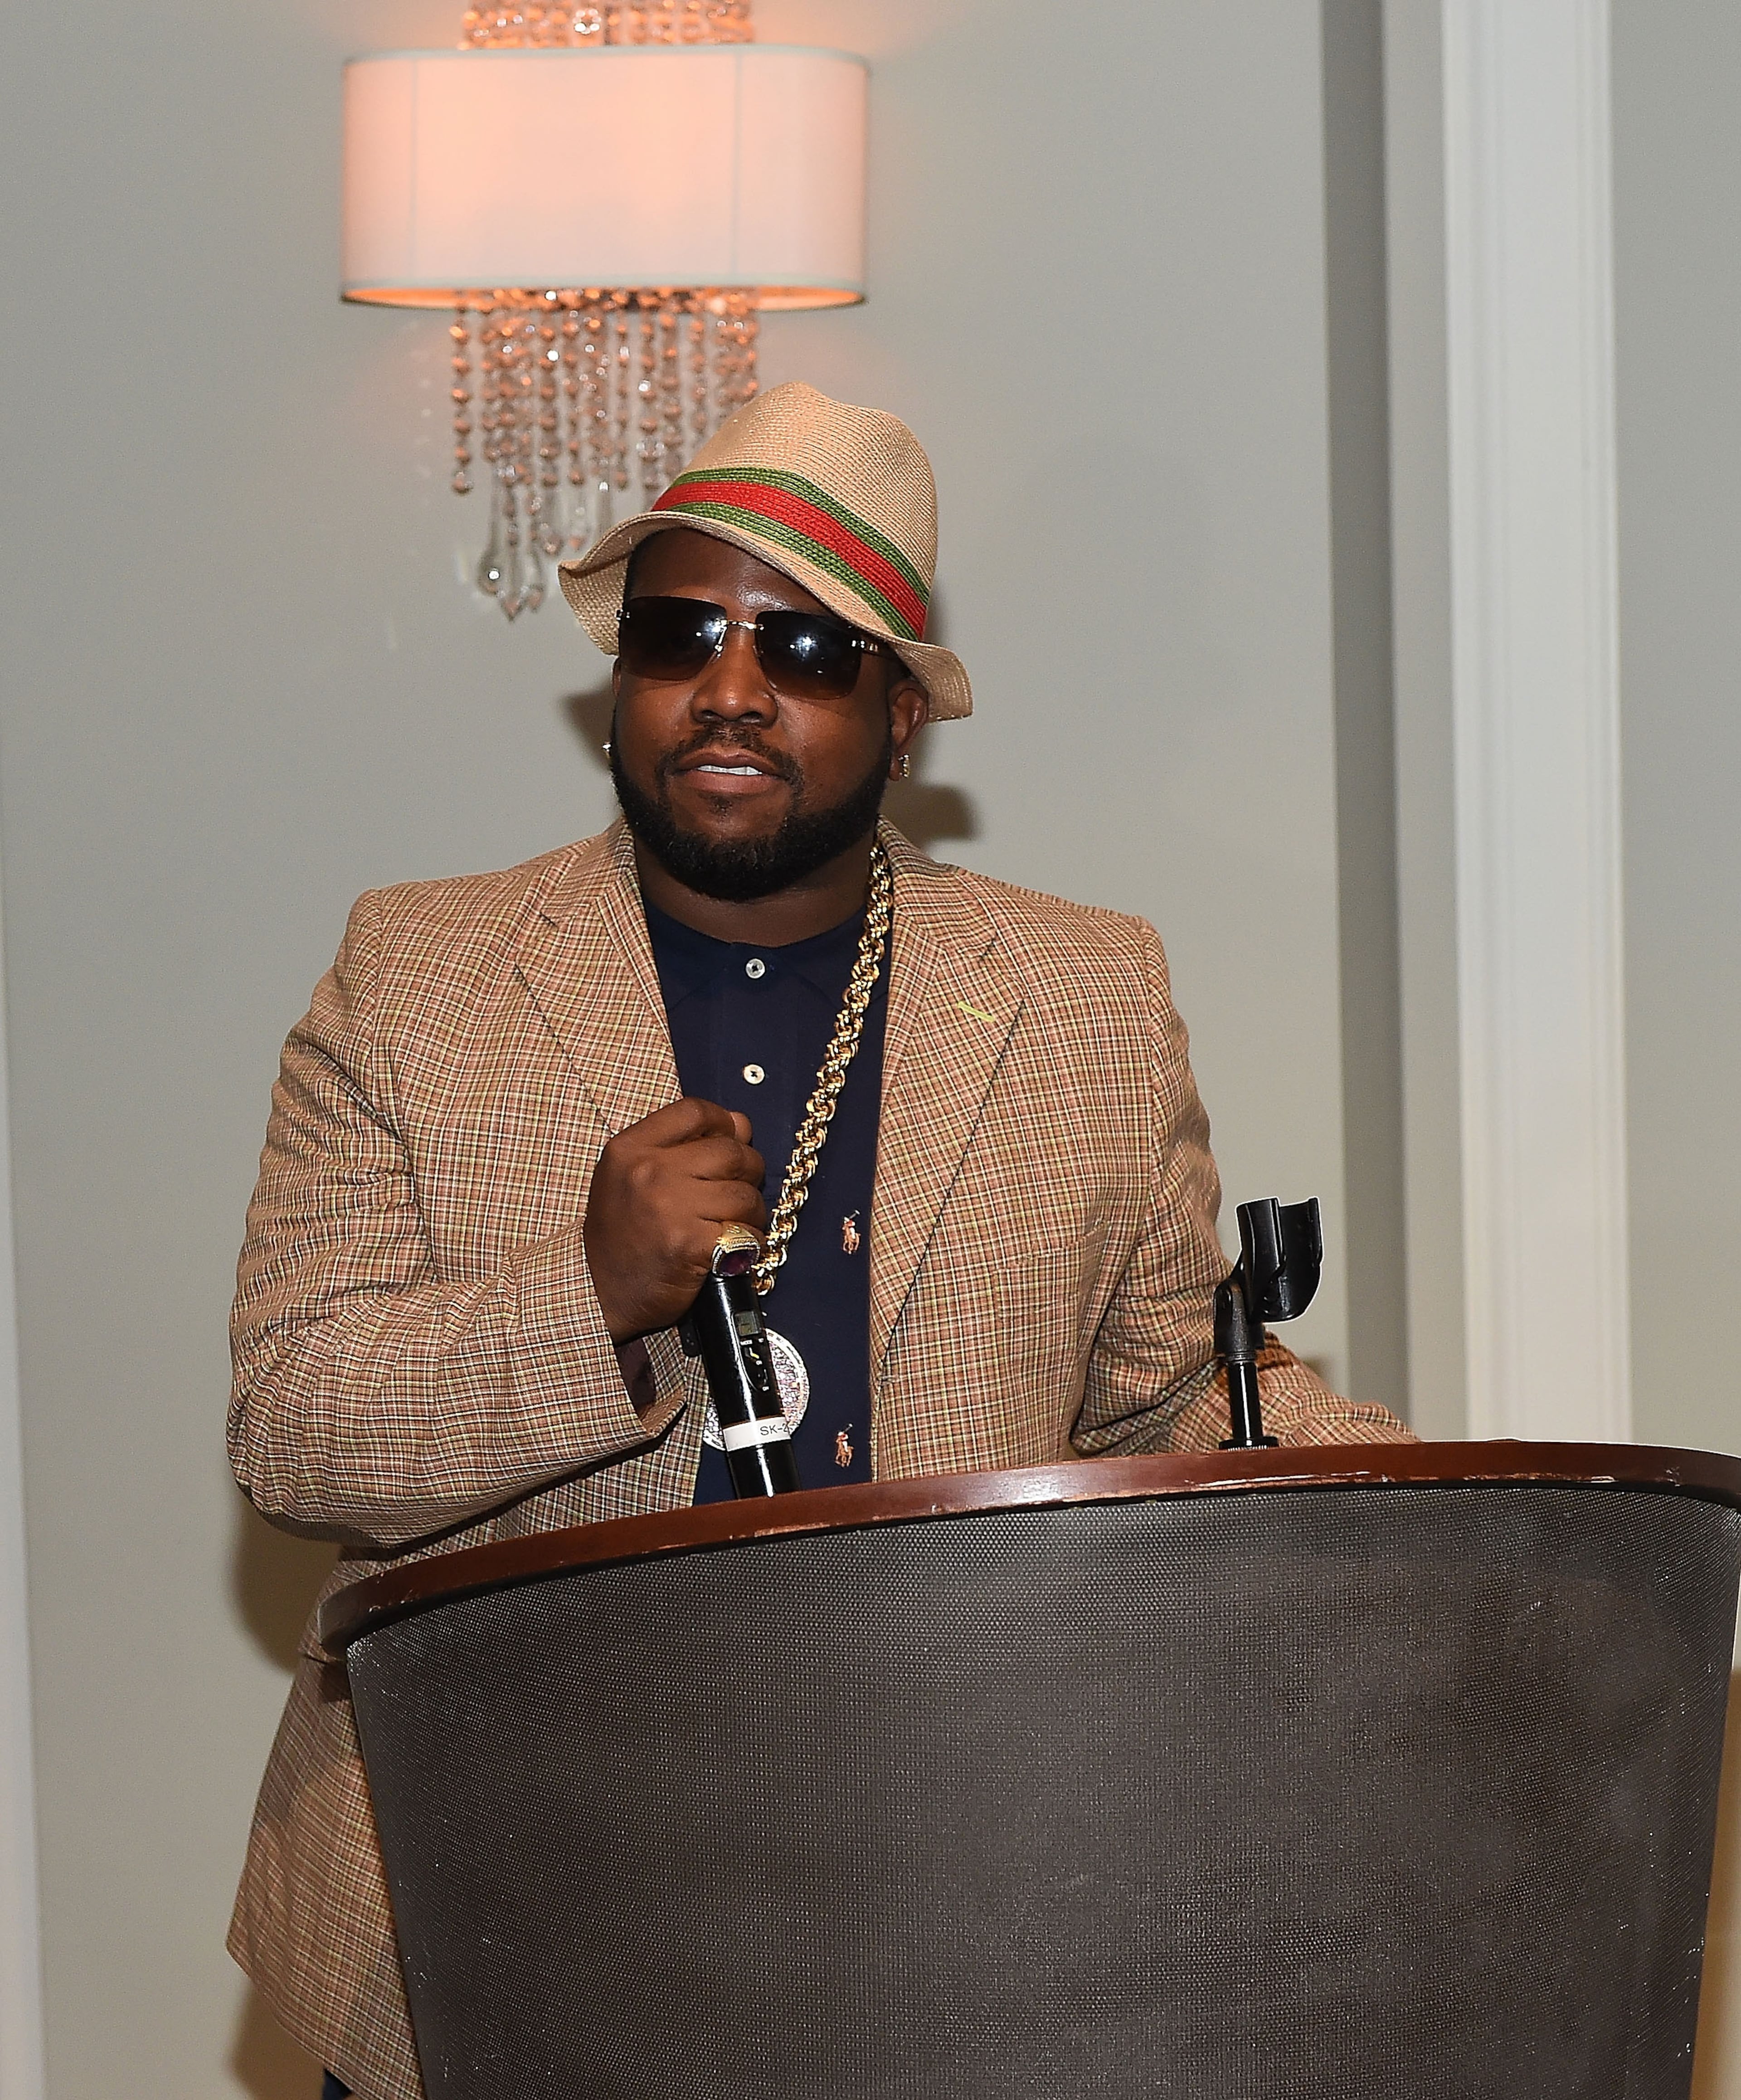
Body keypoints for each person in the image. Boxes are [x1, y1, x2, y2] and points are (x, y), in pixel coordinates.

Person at [227, 381, 1409, 2100]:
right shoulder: (420, 977)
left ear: (905, 714)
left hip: (956, 1900)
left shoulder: (1081, 994)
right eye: (680, 633)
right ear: (620, 679)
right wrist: (589, 1301)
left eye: (807, 649)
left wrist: (1457, 1514)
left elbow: (1174, 1398)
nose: (730, 688)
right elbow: (294, 1428)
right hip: (495, 1905)